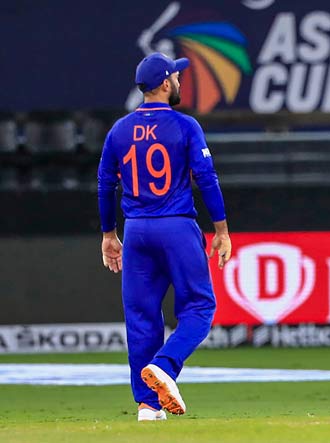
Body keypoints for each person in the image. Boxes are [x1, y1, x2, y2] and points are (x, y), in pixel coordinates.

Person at [98, 52, 232, 421]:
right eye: (176, 77)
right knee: (200, 307)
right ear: (164, 84)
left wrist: (109, 233)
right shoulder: (186, 125)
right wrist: (221, 230)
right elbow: (207, 179)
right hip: (175, 225)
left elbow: (105, 184)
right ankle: (165, 365)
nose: (179, 81)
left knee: (141, 317)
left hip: (136, 229)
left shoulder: (119, 129)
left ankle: (147, 404)